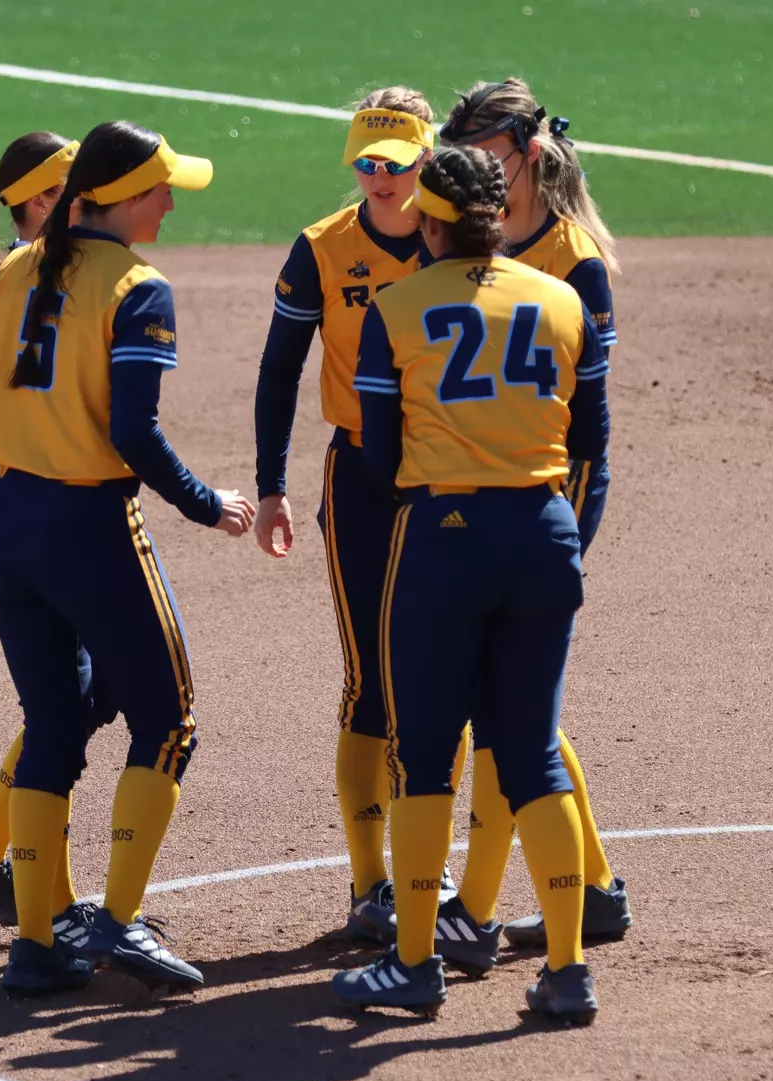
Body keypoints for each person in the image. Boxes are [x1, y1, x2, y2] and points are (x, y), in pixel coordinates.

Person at [0, 119, 255, 997]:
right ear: (118, 200)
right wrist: (205, 503)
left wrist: (6, 480)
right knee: (169, 721)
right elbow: (133, 431)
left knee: (52, 728)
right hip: (89, 531)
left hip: (4, 530)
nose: (171, 203)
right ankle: (117, 923)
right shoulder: (138, 288)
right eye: (162, 190)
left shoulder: (11, 270)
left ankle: (37, 944)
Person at [332, 145, 611, 1024]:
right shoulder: (563, 298)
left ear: (429, 218)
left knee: (424, 755)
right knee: (531, 755)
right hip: (543, 534)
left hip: (444, 540)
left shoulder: (398, 305)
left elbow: (378, 455)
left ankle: (415, 963)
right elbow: (592, 432)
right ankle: (568, 972)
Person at [251, 87, 465, 942]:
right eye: (365, 164)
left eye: (396, 164)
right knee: (372, 678)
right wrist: (272, 486)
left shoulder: (458, 240)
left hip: (448, 469)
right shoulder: (322, 250)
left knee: (443, 677)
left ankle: (432, 870)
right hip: (360, 479)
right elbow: (279, 373)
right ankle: (372, 882)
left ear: (426, 159)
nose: (379, 179)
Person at [435, 78, 632, 951]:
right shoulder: (457, 237)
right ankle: (591, 888)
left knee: (507, 716)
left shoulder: (573, 261)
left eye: (490, 151)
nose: (477, 166)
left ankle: (474, 912)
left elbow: (589, 428)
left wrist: (571, 536)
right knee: (520, 715)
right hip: (476, 500)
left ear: (531, 154)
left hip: (540, 501)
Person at [0, 131, 110, 959]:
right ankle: (46, 897)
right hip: (47, 522)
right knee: (66, 704)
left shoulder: (52, 275)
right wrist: (14, 479)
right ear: (41, 202)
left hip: (40, 516)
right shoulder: (25, 282)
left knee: (82, 695)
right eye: (72, 190)